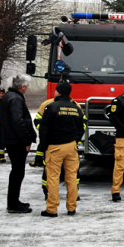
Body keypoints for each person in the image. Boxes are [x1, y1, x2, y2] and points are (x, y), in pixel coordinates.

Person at [39, 82, 85, 218]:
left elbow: (44, 129)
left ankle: (52, 209)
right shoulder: (75, 108)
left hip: (55, 147)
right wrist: (75, 140)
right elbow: (81, 127)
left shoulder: (51, 107)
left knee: (53, 178)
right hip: (71, 147)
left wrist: (43, 146)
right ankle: (71, 208)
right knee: (71, 178)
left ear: (58, 92)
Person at [0, 75, 36, 214]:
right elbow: (18, 121)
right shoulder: (15, 99)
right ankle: (13, 204)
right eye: (27, 87)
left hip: (11, 139)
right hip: (16, 141)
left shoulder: (9, 96)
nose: (27, 89)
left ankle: (14, 201)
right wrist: (26, 140)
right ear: (22, 87)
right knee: (17, 172)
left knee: (16, 172)